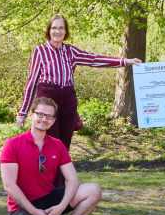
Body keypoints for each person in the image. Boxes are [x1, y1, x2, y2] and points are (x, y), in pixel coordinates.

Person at [16, 14, 141, 150]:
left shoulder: (71, 51)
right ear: (49, 31)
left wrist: (125, 61)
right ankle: (48, 170)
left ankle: (63, 171)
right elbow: (31, 83)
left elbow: (95, 59)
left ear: (65, 31)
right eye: (54, 28)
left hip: (68, 100)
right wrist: (22, 113)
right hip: (47, 101)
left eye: (61, 28)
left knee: (65, 143)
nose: (57, 31)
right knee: (50, 141)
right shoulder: (40, 51)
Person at [0, 97, 102, 215]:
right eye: (40, 114)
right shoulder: (12, 145)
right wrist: (34, 212)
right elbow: (9, 186)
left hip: (49, 199)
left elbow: (72, 179)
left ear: (53, 121)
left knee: (93, 190)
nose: (44, 119)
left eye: (49, 116)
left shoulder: (57, 145)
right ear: (32, 115)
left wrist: (61, 206)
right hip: (22, 206)